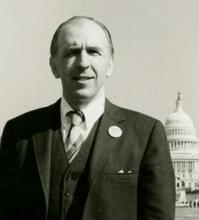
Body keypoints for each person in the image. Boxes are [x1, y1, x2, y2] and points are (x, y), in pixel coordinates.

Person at [0, 16, 175, 220]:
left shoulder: (145, 134)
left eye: (93, 51)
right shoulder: (20, 132)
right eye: (72, 52)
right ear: (54, 66)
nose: (83, 63)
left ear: (109, 64)